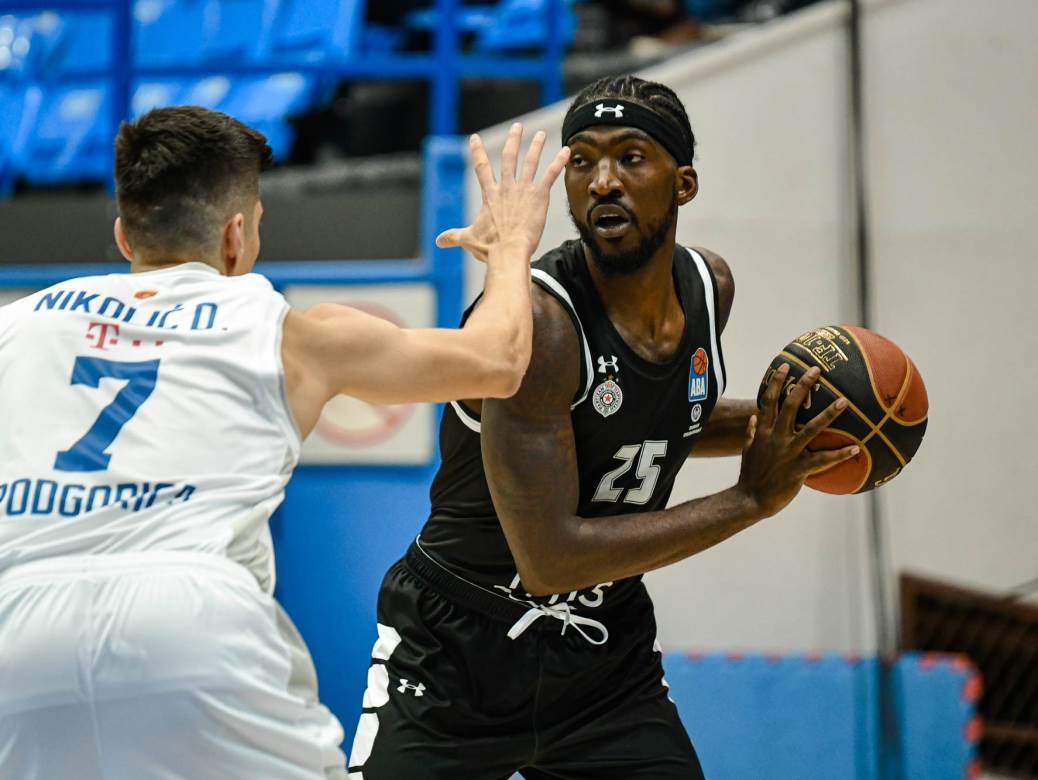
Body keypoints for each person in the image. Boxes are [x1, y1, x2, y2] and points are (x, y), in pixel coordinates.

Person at [0, 107, 567, 779]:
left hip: (17, 624)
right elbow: (498, 362)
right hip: (190, 612)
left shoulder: (16, 326)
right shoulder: (288, 331)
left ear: (124, 237)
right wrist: (509, 248)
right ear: (237, 235)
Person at [349, 75, 859, 778]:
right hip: (457, 656)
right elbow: (551, 561)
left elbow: (667, 416)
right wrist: (750, 499)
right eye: (582, 161)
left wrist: (794, 429)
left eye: (630, 157)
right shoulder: (544, 325)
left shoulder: (708, 287)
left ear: (683, 183)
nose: (603, 181)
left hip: (601, 665)